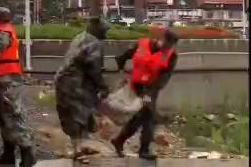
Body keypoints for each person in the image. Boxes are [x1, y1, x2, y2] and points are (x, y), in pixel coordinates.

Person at [111, 29, 179, 160]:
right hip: (136, 87)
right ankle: (141, 149)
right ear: (161, 39)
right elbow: (122, 57)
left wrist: (148, 95)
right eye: (166, 43)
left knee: (143, 116)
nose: (166, 47)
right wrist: (121, 70)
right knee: (147, 117)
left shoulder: (171, 56)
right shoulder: (141, 44)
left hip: (151, 89)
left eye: (170, 46)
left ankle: (122, 141)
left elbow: (163, 79)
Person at [0, 6, 36, 166]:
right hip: (2, 81)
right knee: (4, 119)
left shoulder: (3, 33)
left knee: (14, 116)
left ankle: (28, 154)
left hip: (9, 81)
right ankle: (8, 154)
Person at [54, 16, 110, 160]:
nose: (106, 33)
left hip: (64, 81)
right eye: (105, 30)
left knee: (76, 115)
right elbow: (94, 68)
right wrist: (103, 87)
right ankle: (79, 149)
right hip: (75, 84)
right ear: (98, 29)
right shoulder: (95, 43)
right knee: (80, 115)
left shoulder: (80, 37)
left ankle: (81, 145)